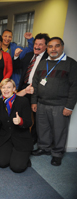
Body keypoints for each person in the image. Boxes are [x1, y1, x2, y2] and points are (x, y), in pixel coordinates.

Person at [31, 37, 77, 166]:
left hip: (60, 105)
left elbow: (75, 87)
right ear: (47, 48)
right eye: (50, 46)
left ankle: (57, 153)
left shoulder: (71, 64)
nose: (53, 49)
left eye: (56, 46)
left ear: (62, 47)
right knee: (42, 128)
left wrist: (69, 106)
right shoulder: (42, 63)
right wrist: (34, 101)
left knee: (59, 130)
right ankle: (44, 148)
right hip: (41, 103)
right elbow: (35, 82)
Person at [14, 33, 50, 144]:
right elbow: (18, 66)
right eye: (35, 43)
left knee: (37, 116)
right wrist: (15, 57)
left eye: (40, 44)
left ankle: (33, 138)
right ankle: (20, 134)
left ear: (46, 46)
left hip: (37, 90)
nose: (37, 46)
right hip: (24, 87)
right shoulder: (29, 55)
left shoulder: (48, 58)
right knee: (21, 112)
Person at [0, 78, 33, 173]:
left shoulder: (23, 101)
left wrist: (20, 121)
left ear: (14, 89)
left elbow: (29, 122)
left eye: (9, 87)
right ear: (0, 89)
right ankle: (14, 155)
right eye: (3, 87)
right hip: (5, 137)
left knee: (17, 167)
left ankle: (24, 157)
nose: (6, 90)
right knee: (1, 163)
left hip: (21, 137)